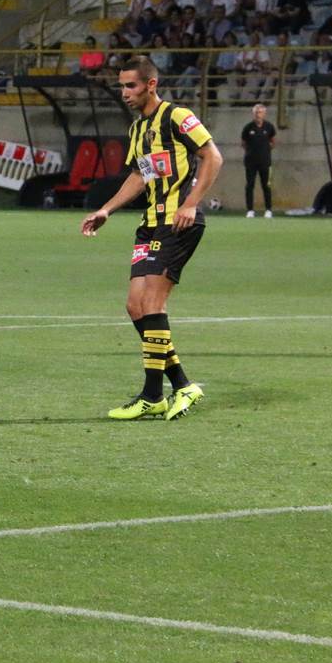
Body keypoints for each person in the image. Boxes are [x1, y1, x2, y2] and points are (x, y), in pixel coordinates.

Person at [80, 56, 222, 421]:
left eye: (131, 85)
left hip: (178, 223)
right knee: (135, 306)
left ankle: (152, 394)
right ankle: (182, 385)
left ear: (151, 84)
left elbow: (213, 157)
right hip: (149, 224)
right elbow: (140, 177)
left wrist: (191, 204)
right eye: (122, 86)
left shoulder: (177, 117)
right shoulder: (138, 130)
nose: (124, 92)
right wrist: (106, 210)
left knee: (154, 303)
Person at [241, 103, 275, 217]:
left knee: (266, 185)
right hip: (250, 162)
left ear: (264, 114)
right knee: (250, 185)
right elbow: (243, 143)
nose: (258, 115)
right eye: (256, 113)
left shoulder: (269, 127)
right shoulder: (248, 128)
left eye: (260, 112)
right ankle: (250, 210)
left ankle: (268, 210)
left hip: (265, 162)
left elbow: (273, 142)